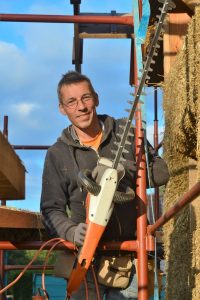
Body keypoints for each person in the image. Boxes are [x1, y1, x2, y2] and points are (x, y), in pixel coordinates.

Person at [40, 71, 169, 300]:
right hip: (87, 261)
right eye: (72, 102)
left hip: (130, 256)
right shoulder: (57, 154)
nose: (81, 107)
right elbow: (51, 209)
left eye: (86, 98)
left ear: (96, 99)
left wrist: (130, 170)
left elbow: (161, 173)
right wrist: (71, 231)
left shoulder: (127, 131)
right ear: (62, 108)